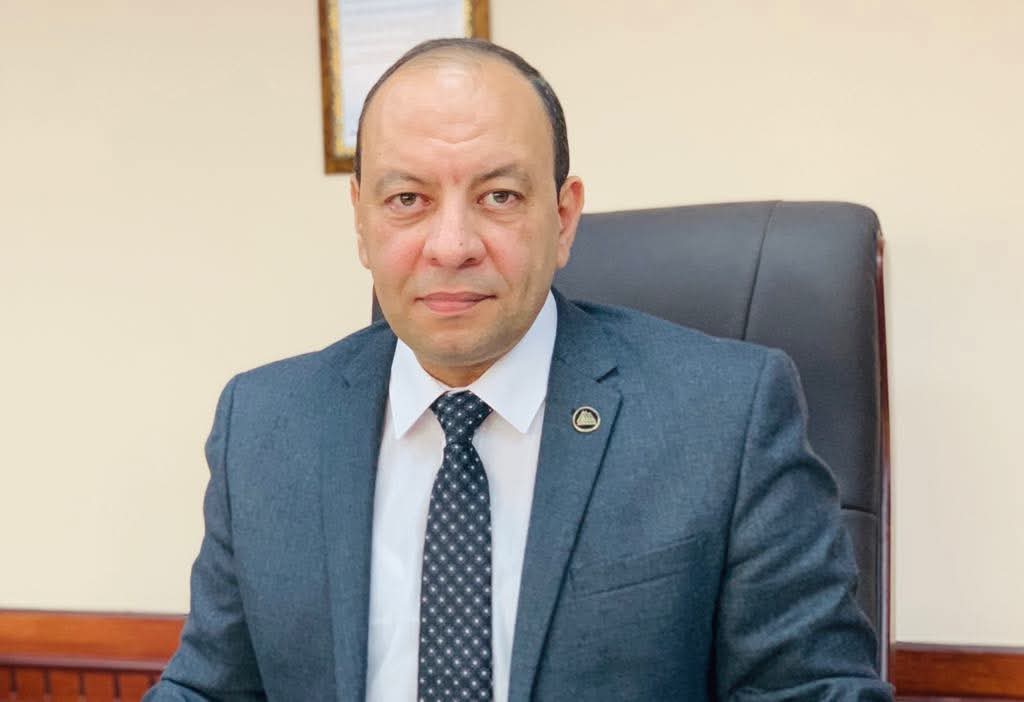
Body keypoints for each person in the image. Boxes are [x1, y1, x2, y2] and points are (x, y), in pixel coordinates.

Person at [145, 38, 892, 701]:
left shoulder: (725, 418)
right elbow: (211, 688)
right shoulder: (264, 424)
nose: (451, 245)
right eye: (407, 199)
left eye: (499, 196)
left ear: (563, 218)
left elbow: (812, 689)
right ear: (362, 222)